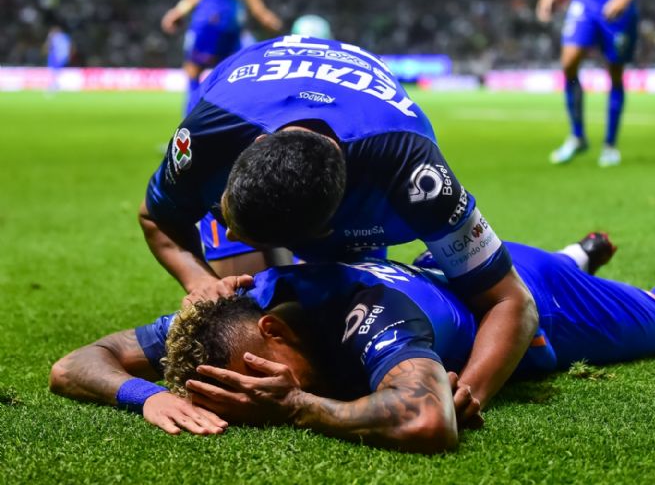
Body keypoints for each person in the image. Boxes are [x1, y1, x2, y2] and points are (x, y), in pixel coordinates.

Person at [50, 236, 655, 453]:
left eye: (250, 375)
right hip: (445, 285)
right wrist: (144, 395)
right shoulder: (234, 308)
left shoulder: (369, 317)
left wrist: (297, 404)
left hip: (537, 305)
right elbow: (73, 364)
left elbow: (429, 421)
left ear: (274, 332)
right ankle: (576, 253)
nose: (251, 390)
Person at [139, 35, 538, 409]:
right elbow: (154, 219)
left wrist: (467, 394)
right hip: (248, 100)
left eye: (244, 231)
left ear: (326, 233)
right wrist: (201, 282)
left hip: (367, 152)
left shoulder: (416, 175)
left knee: (349, 318)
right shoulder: (210, 133)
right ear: (257, 146)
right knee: (244, 317)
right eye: (226, 212)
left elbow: (510, 299)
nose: (228, 232)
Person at [536, 0, 648, 167]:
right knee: (569, 64)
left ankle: (610, 145)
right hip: (585, 1)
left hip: (617, 2)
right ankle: (577, 136)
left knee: (615, 73)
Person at [161, 0, 282, 115]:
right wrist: (179, 10)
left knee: (193, 70)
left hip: (209, 18)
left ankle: (191, 120)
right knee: (235, 68)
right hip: (230, 19)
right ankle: (248, 114)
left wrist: (260, 12)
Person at [44, 25, 72, 92]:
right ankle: (55, 84)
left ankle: (55, 84)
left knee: (55, 71)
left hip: (57, 56)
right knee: (55, 71)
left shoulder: (55, 37)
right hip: (60, 56)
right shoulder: (64, 37)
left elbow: (48, 46)